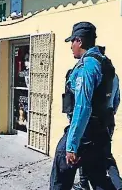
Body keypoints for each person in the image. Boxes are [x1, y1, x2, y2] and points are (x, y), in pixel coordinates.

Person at [49, 22, 117, 190]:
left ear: (79, 41)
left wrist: (72, 145)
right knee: (99, 177)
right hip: (100, 132)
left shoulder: (87, 67)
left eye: (72, 42)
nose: (71, 46)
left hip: (84, 133)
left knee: (61, 174)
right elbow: (114, 102)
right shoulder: (106, 65)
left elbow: (82, 107)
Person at [73, 47, 121, 190]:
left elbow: (84, 103)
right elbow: (117, 100)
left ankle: (86, 184)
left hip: (92, 122)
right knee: (105, 155)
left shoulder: (90, 70)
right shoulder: (114, 76)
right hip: (107, 121)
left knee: (89, 154)